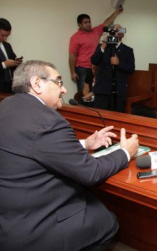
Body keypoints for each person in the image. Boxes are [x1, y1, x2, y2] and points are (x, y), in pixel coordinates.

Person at [0, 60, 139, 250]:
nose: (64, 89)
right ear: (37, 84)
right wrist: (125, 152)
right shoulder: (48, 121)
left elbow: (33, 146)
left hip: (10, 218)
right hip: (38, 226)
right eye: (58, 82)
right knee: (107, 221)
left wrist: (85, 144)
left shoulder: (7, 106)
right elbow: (91, 173)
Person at [69, 7, 123, 93]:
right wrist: (73, 72)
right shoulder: (75, 37)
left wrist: (116, 12)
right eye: (85, 22)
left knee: (96, 91)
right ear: (80, 24)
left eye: (89, 22)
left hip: (96, 67)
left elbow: (106, 23)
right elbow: (72, 55)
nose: (88, 24)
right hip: (83, 68)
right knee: (83, 93)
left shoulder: (95, 31)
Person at [91, 25, 135, 113]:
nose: (116, 32)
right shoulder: (102, 46)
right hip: (102, 90)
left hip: (118, 91)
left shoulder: (128, 50)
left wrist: (119, 63)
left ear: (122, 34)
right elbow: (94, 61)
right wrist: (103, 45)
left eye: (119, 30)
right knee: (100, 116)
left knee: (117, 117)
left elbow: (131, 69)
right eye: (113, 30)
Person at [0, 18, 22, 93]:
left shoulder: (7, 46)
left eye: (7, 36)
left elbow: (12, 60)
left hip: (9, 87)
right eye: (3, 35)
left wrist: (16, 62)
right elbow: (5, 64)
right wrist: (4, 65)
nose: (5, 39)